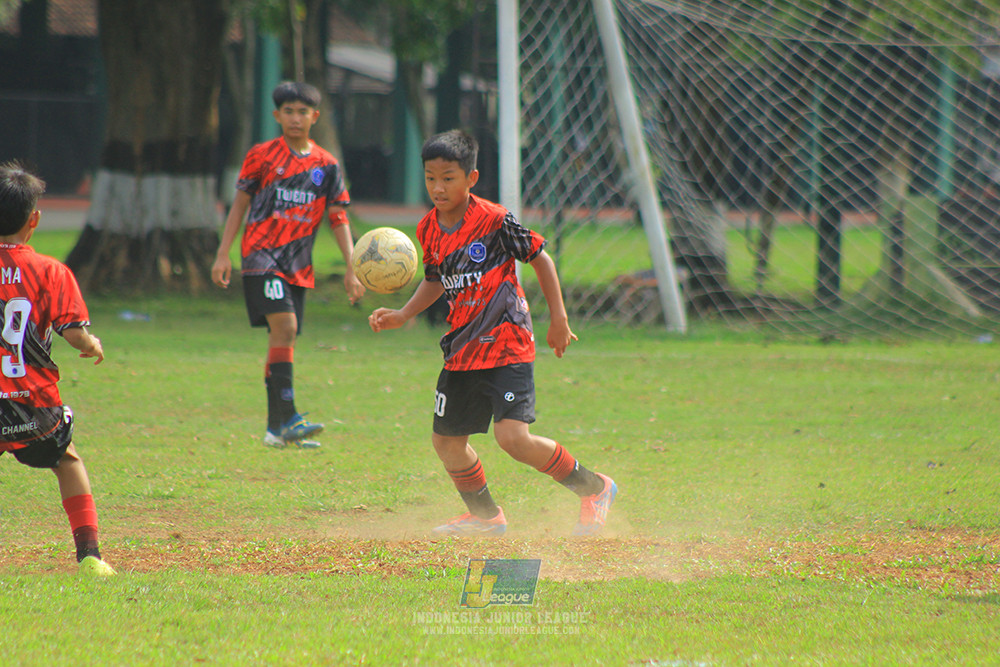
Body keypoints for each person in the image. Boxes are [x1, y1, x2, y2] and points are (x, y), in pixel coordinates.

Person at [368, 129, 617, 536]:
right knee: (447, 442)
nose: (438, 186)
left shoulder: (495, 219)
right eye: (430, 177)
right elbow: (435, 279)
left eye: (448, 177)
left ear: (471, 178)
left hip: (507, 342)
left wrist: (559, 320)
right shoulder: (428, 229)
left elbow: (541, 259)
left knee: (513, 438)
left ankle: (595, 489)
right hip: (462, 348)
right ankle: (486, 517)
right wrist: (404, 313)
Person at [212, 81, 365, 449]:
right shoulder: (262, 156)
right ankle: (291, 414)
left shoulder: (326, 165)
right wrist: (223, 253)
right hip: (262, 257)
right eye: (288, 111)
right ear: (276, 115)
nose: (295, 118)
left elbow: (339, 218)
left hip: (299, 264)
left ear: (315, 116)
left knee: (283, 337)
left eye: (303, 112)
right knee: (286, 326)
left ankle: (275, 429)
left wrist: (352, 266)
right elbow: (240, 205)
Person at [0, 161, 114, 576]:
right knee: (67, 460)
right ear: (35, 220)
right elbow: (74, 334)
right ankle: (90, 556)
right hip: (33, 403)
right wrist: (92, 344)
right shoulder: (50, 271)